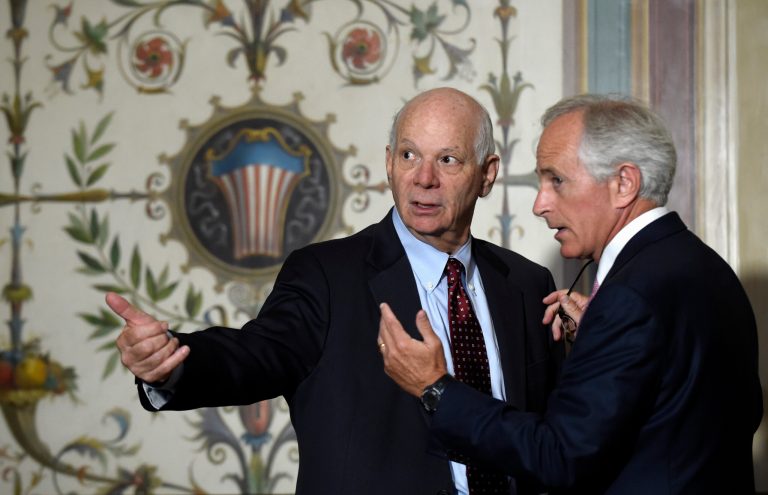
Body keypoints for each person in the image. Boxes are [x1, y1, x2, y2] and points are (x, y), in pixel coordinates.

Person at [105, 87, 564, 495]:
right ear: (388, 162)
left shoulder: (526, 283)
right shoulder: (327, 274)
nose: (424, 178)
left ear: (486, 175)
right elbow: (255, 354)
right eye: (408, 156)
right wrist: (171, 361)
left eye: (448, 159)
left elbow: (555, 435)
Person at [378, 94, 763, 494]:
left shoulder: (629, 297)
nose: (540, 204)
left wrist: (437, 387)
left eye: (556, 180)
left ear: (624, 183)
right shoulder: (708, 269)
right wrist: (601, 341)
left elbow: (559, 456)